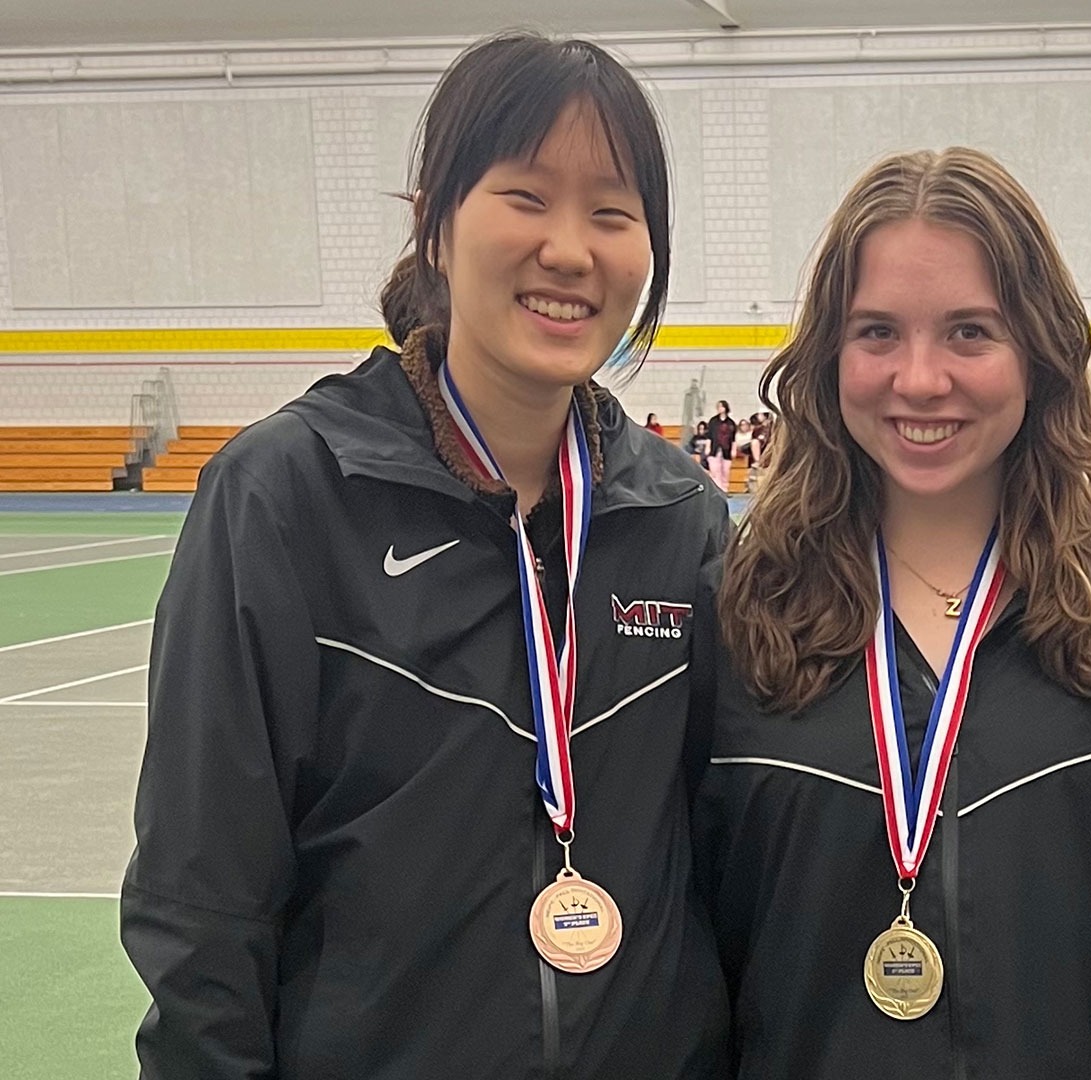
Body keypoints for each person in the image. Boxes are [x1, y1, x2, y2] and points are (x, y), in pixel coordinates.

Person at [120, 32, 731, 1080]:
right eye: (526, 197)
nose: (570, 250)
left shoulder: (680, 518)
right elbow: (202, 896)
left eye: (612, 213)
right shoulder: (288, 497)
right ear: (435, 222)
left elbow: (730, 865)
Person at [694, 148, 1091, 1079]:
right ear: (829, 358)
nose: (920, 379)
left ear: (1038, 354)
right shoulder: (738, 616)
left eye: (970, 332)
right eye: (877, 332)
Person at [706, 398, 738, 491]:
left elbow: (733, 438)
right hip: (715, 448)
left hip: (726, 449)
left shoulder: (731, 423)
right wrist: (708, 447)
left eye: (721, 406)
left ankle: (725, 488)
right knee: (715, 470)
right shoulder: (713, 421)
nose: (719, 408)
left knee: (725, 470)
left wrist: (733, 450)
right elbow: (709, 435)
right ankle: (717, 488)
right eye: (718, 407)